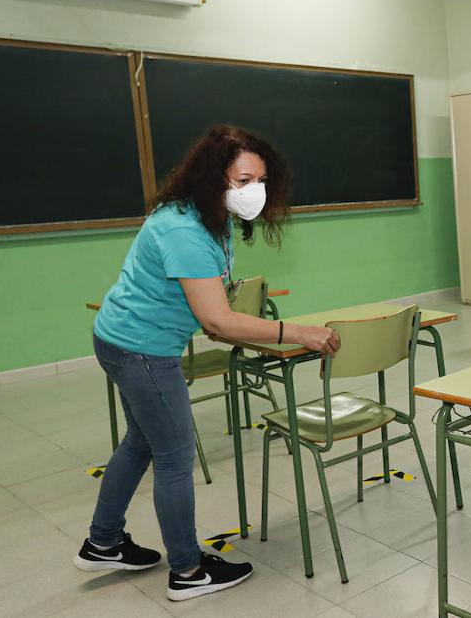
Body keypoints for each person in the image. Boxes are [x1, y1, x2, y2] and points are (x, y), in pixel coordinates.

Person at [76, 125, 340, 602]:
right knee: (175, 456)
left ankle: (103, 541)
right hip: (141, 349)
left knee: (140, 441)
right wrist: (297, 333)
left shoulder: (205, 217)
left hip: (122, 338)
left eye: (260, 180)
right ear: (212, 177)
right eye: (243, 180)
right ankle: (188, 571)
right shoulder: (183, 228)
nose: (254, 191)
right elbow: (217, 322)